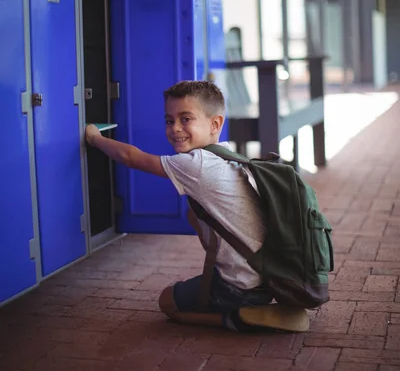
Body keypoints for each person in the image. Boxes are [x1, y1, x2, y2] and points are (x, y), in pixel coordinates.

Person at [85, 80, 308, 332]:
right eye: (169, 121)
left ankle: (238, 318)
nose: (175, 128)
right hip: (268, 277)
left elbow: (130, 157)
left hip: (239, 285)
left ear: (215, 124)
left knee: (167, 302)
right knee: (194, 214)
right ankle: (252, 303)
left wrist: (95, 138)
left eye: (186, 119)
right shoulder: (226, 155)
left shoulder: (197, 164)